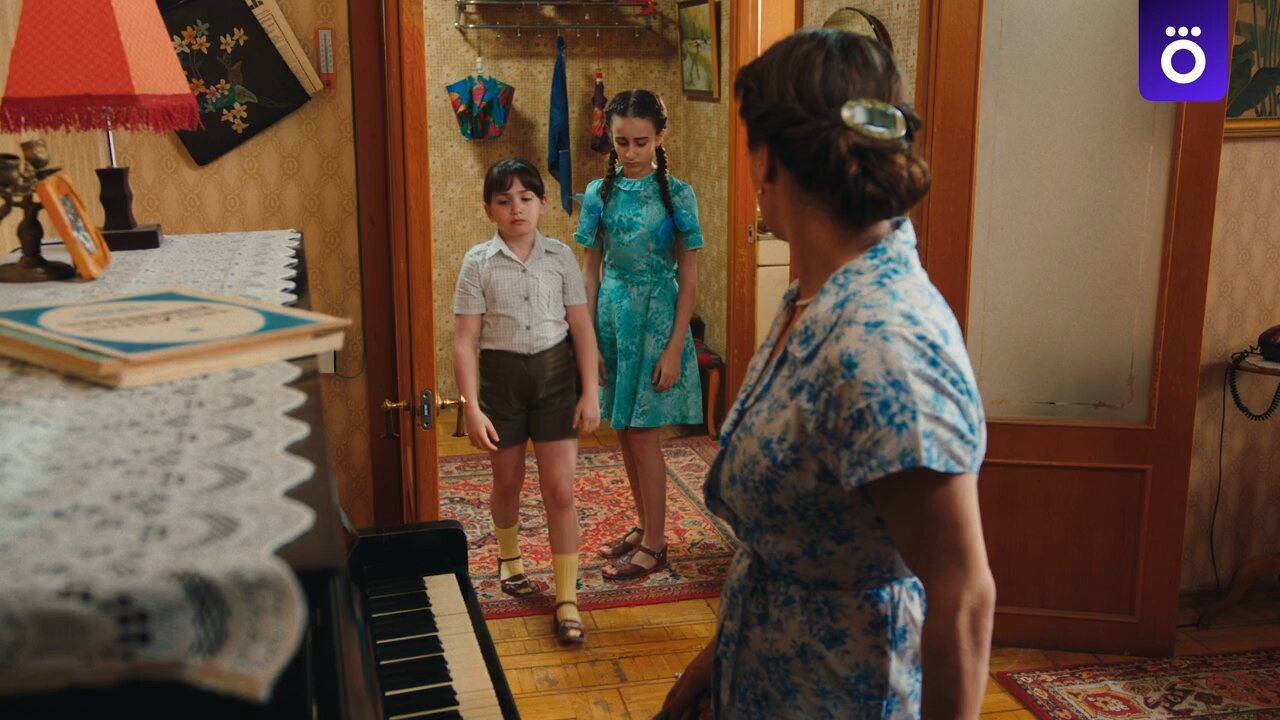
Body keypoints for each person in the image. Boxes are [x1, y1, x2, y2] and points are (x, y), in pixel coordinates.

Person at [662, 29, 996, 718]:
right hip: (762, 674)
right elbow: (793, 542)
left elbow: (964, 598)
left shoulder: (886, 344)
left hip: (845, 694)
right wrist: (718, 659)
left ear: (767, 162)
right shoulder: (811, 298)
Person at [453, 157, 601, 645]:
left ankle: (567, 601)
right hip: (502, 384)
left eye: (526, 198)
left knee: (560, 490)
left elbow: (581, 328)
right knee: (508, 481)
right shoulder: (477, 262)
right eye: (504, 200)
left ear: (542, 204)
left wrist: (590, 392)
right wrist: (472, 407)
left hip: (555, 379)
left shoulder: (561, 257)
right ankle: (510, 558)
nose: (516, 208)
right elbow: (465, 342)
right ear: (488, 209)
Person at [573, 89, 705, 580]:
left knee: (645, 434)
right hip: (612, 316)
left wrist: (675, 347)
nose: (630, 152)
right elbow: (589, 271)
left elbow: (689, 275)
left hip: (657, 320)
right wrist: (588, 341)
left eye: (641, 142)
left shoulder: (679, 194)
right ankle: (644, 523)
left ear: (660, 137)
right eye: (622, 142)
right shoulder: (598, 193)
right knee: (625, 430)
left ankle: (656, 542)